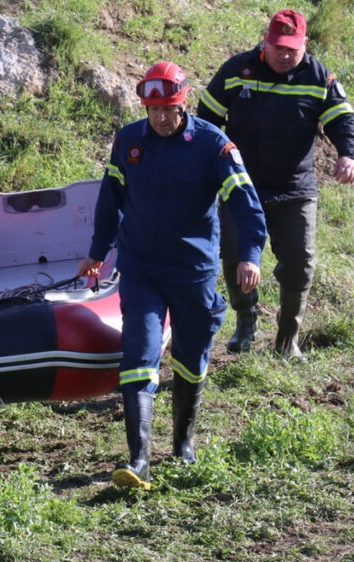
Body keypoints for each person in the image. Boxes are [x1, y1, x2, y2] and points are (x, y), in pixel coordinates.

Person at [78, 61, 267, 489]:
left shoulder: (212, 145)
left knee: (190, 358)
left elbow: (245, 203)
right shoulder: (127, 142)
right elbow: (111, 200)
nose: (161, 118)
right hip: (142, 267)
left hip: (193, 271)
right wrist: (96, 251)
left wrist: (250, 255)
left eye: (169, 109)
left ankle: (182, 443)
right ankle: (138, 460)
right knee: (140, 352)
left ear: (183, 103)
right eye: (153, 109)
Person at [197, 9, 354, 361]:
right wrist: (204, 167)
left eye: (292, 49)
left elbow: (342, 119)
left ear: (305, 44)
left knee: (300, 263)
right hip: (241, 186)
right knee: (235, 256)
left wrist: (349, 154)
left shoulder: (319, 77)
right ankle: (246, 320)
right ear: (265, 42)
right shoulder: (236, 71)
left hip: (295, 188)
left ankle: (288, 339)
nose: (284, 55)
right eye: (278, 48)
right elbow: (206, 120)